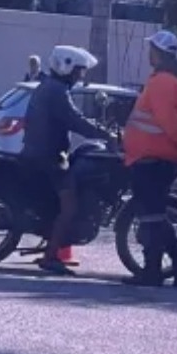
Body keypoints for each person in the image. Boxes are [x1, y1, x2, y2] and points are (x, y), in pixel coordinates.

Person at [21, 45, 114, 276]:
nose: (81, 76)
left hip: (41, 152)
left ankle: (51, 240)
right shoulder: (57, 92)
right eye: (79, 71)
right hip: (48, 157)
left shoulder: (50, 86)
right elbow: (76, 120)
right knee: (70, 205)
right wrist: (106, 134)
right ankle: (51, 255)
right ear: (67, 67)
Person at [122, 30, 177, 287]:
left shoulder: (161, 82)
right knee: (153, 211)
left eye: (151, 50)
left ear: (157, 53)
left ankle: (156, 269)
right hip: (166, 157)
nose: (149, 54)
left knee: (150, 213)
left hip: (152, 156)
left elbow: (169, 121)